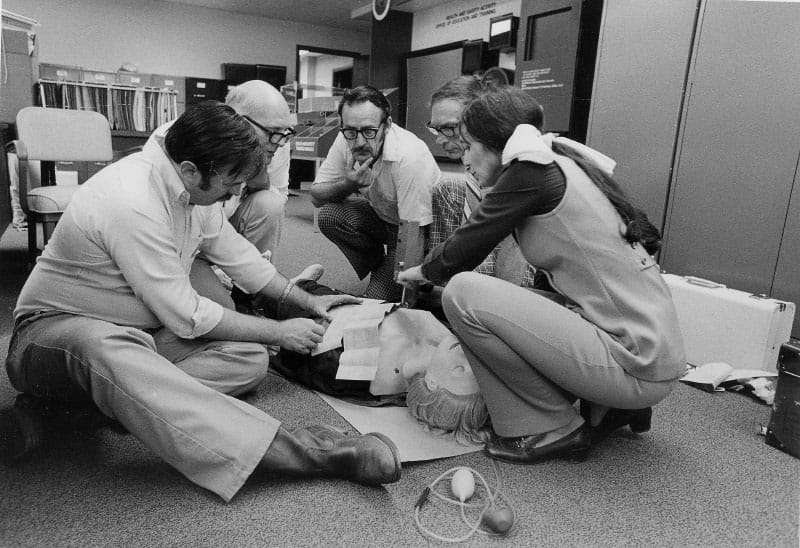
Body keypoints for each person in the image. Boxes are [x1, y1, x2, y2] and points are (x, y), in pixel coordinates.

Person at [2, 101, 401, 502]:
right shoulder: (130, 199)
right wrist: (279, 331)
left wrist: (306, 301)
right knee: (105, 347)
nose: (237, 192)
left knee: (248, 357)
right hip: (52, 337)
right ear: (191, 170)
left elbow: (238, 256)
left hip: (140, 335)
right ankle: (311, 452)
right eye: (230, 183)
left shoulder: (188, 185)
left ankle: (70, 415)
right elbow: (187, 315)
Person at [398, 87, 686, 464]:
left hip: (637, 364)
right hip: (652, 350)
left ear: (497, 144)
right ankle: (611, 408)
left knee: (462, 293)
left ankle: (550, 426)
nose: (464, 159)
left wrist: (421, 272)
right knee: (497, 300)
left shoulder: (529, 170)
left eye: (468, 146)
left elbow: (464, 249)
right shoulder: (559, 162)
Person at [311, 85, 440, 301]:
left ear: (387, 125)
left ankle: (404, 277)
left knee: (374, 302)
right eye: (351, 131)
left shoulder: (409, 156)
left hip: (420, 232)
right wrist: (348, 185)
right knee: (329, 215)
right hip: (384, 218)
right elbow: (316, 197)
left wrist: (407, 300)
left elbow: (413, 234)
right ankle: (382, 266)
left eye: (369, 131)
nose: (360, 142)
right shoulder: (346, 138)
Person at [426, 76, 538, 287]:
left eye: (450, 127)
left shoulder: (526, 177)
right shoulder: (456, 190)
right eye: (436, 129)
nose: (439, 139)